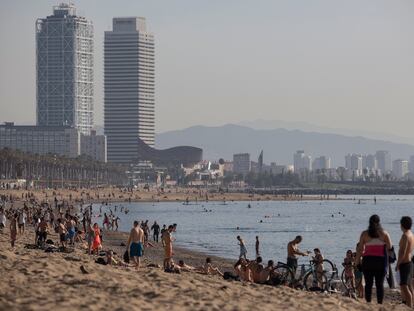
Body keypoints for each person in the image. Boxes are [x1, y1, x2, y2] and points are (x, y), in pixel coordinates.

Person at [356, 214, 392, 305]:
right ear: (379, 222)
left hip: (368, 261)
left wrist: (357, 261)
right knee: (379, 285)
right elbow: (390, 248)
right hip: (380, 261)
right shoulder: (384, 233)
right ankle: (379, 304)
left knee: (368, 284)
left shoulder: (364, 234)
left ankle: (368, 303)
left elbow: (360, 249)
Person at [396, 216, 414, 307]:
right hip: (410, 263)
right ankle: (410, 305)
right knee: (409, 286)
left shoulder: (405, 235)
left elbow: (402, 252)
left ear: (402, 225)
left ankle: (409, 306)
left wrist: (398, 264)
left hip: (405, 263)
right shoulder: (411, 234)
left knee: (404, 286)